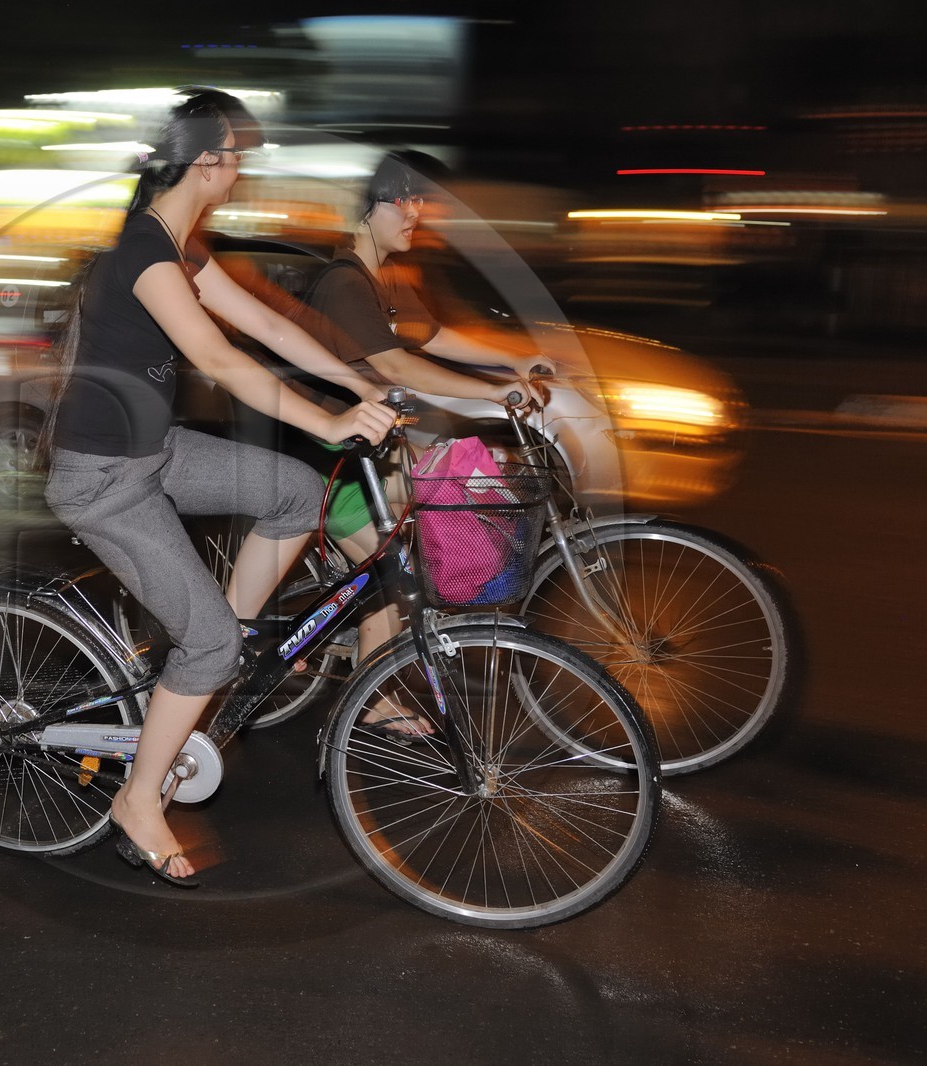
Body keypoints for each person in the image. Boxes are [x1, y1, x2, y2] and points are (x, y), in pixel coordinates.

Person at [43, 89, 396, 886]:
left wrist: (360, 388)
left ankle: (219, 644)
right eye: (236, 157)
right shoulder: (144, 253)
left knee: (297, 493)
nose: (239, 173)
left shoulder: (182, 247)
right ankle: (138, 800)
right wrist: (331, 421)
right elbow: (218, 357)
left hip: (155, 452)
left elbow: (268, 331)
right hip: (103, 483)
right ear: (206, 160)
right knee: (208, 646)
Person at [302, 154, 552, 735]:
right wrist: (496, 393)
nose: (416, 211)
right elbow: (397, 364)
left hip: (368, 456)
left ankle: (366, 666)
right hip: (328, 466)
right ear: (368, 208)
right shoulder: (344, 282)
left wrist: (511, 357)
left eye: (421, 200)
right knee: (398, 570)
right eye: (402, 199)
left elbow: (433, 336)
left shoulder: (383, 277)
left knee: (407, 545)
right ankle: (369, 701)